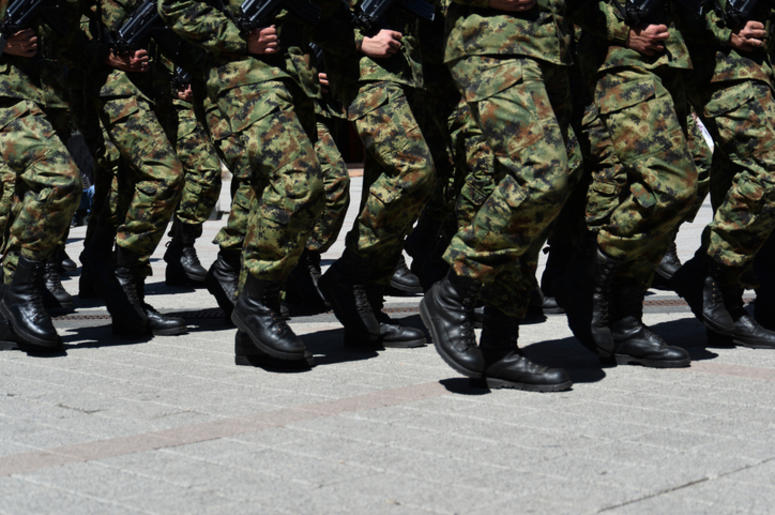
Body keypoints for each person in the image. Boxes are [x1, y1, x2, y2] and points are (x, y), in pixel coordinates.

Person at [421, 0, 582, 392]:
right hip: (495, 40)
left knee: (550, 187)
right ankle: (455, 287)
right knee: (541, 175)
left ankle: (500, 344)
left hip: (549, 47)